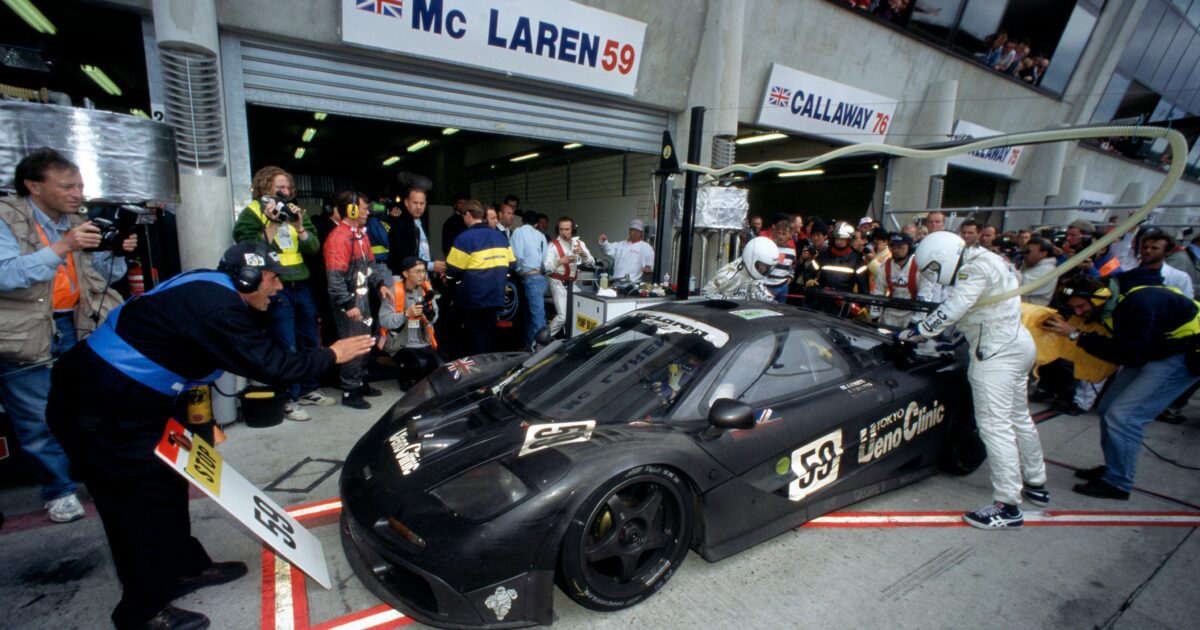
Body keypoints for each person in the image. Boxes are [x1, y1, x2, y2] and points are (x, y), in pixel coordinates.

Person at [45, 241, 373, 630]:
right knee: (136, 508)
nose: (278, 289)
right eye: (272, 279)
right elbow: (272, 365)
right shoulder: (218, 309)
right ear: (247, 279)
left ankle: (185, 568)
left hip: (129, 401)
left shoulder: (210, 286)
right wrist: (332, 355)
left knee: (167, 484)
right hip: (101, 409)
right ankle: (142, 612)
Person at [0, 148, 135, 524]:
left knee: (88, 407)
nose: (77, 193)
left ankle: (94, 473)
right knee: (37, 416)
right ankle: (58, 491)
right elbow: (6, 274)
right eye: (67, 186)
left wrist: (114, 252)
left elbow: (101, 276)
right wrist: (64, 245)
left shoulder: (75, 220)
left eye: (79, 185)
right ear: (33, 185)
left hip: (75, 322)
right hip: (25, 331)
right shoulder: (5, 217)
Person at [899, 231, 1048, 529]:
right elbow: (983, 310)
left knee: (995, 426)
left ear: (943, 257)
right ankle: (1036, 482)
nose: (935, 275)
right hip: (1016, 343)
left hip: (995, 353)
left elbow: (953, 309)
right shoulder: (991, 260)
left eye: (934, 268)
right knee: (1019, 417)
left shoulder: (973, 269)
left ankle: (1007, 506)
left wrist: (916, 332)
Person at [1043, 270, 1200, 500]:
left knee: (1124, 417)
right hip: (1155, 349)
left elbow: (1129, 354)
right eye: (1074, 308)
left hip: (1183, 354)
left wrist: (1077, 335)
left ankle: (1118, 483)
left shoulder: (1138, 303)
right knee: (1107, 407)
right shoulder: (1110, 302)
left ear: (1099, 297)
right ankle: (1114, 468)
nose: (1079, 312)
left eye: (1081, 306)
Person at [232, 166, 333, 421]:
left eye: (288, 187)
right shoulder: (251, 213)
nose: (286, 192)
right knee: (286, 343)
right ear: (265, 187)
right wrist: (273, 223)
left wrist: (300, 227)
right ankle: (289, 397)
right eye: (280, 187)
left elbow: (313, 247)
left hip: (301, 285)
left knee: (310, 338)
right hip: (275, 288)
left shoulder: (296, 211)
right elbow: (250, 249)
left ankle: (309, 388)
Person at [324, 200, 393, 409]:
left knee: (365, 340)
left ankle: (360, 381)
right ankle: (350, 390)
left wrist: (380, 284)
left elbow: (369, 265)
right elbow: (335, 279)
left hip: (362, 296)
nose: (367, 212)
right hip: (349, 300)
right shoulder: (339, 237)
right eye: (363, 208)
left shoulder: (361, 235)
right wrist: (347, 304)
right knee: (353, 342)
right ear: (350, 210)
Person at [446, 200, 515, 354]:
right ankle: (489, 364)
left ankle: (478, 366)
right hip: (496, 295)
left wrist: (449, 280)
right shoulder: (500, 237)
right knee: (489, 335)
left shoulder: (464, 238)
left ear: (468, 215)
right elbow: (512, 264)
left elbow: (452, 270)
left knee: (475, 338)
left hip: (473, 298)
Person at [379, 256, 442, 389]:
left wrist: (428, 316)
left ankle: (420, 380)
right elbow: (384, 320)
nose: (422, 275)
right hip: (399, 344)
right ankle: (405, 378)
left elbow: (435, 314)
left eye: (423, 271)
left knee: (440, 366)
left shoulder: (427, 290)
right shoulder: (394, 291)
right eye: (417, 271)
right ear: (406, 274)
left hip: (423, 341)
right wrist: (406, 314)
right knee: (419, 363)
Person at [386, 175, 446, 278]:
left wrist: (437, 268)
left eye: (422, 203)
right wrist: (431, 266)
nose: (419, 207)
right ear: (406, 203)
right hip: (405, 280)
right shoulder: (399, 225)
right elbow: (404, 258)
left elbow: (423, 251)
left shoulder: (421, 223)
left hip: (422, 278)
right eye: (415, 203)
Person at [805, 221, 870, 314]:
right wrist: (808, 280)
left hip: (844, 305)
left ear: (849, 240)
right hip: (822, 302)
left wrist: (865, 306)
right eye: (837, 238)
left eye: (843, 239)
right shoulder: (824, 255)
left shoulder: (857, 260)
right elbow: (809, 272)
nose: (839, 241)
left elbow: (863, 286)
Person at [545, 216, 595, 337]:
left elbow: (591, 263)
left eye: (567, 229)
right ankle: (542, 339)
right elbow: (546, 268)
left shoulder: (579, 243)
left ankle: (573, 338)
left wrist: (583, 253)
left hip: (572, 283)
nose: (564, 232)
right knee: (563, 316)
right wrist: (560, 261)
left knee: (583, 310)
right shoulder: (552, 246)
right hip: (557, 282)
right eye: (561, 229)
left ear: (573, 229)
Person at [510, 210, 548, 348]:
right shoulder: (541, 235)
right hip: (541, 278)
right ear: (536, 224)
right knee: (531, 314)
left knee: (537, 316)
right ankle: (530, 345)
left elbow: (517, 255)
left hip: (529, 277)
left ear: (522, 221)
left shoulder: (518, 232)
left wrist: (519, 271)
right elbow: (544, 258)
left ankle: (540, 348)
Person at [703, 236, 778, 301]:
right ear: (751, 258)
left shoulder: (754, 274)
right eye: (763, 265)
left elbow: (760, 292)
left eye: (768, 266)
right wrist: (728, 301)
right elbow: (706, 293)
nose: (765, 269)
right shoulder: (728, 275)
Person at [871, 233, 919, 327]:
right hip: (890, 313)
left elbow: (924, 295)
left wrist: (915, 321)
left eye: (900, 247)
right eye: (893, 247)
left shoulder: (919, 266)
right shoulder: (886, 265)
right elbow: (878, 293)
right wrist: (875, 316)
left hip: (912, 313)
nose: (896, 250)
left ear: (909, 248)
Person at [1136, 229, 1194, 297]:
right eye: (1145, 247)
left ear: (1167, 252)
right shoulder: (1130, 274)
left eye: (1154, 248)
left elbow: (1186, 302)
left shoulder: (1180, 278)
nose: (1148, 251)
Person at [599, 219, 655, 284]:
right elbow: (607, 249)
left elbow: (649, 262)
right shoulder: (620, 245)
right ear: (629, 231)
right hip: (616, 281)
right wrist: (604, 242)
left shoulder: (646, 247)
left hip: (633, 283)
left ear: (642, 233)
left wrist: (648, 267)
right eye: (633, 230)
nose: (635, 233)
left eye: (638, 231)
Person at [762, 213, 796, 303]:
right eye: (779, 233)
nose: (781, 236)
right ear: (774, 233)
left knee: (780, 309)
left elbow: (792, 267)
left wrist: (790, 277)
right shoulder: (769, 248)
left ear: (790, 235)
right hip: (767, 285)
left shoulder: (792, 252)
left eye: (784, 234)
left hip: (783, 286)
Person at [1019, 236, 1057, 306]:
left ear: (1043, 254)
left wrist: (1006, 266)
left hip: (1031, 310)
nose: (1024, 254)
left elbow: (1019, 285)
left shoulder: (1047, 270)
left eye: (1028, 252)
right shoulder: (1031, 265)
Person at [440, 193, 470, 258]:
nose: (463, 205)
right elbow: (446, 245)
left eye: (465, 203)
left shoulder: (472, 220)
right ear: (455, 205)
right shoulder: (450, 222)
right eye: (460, 203)